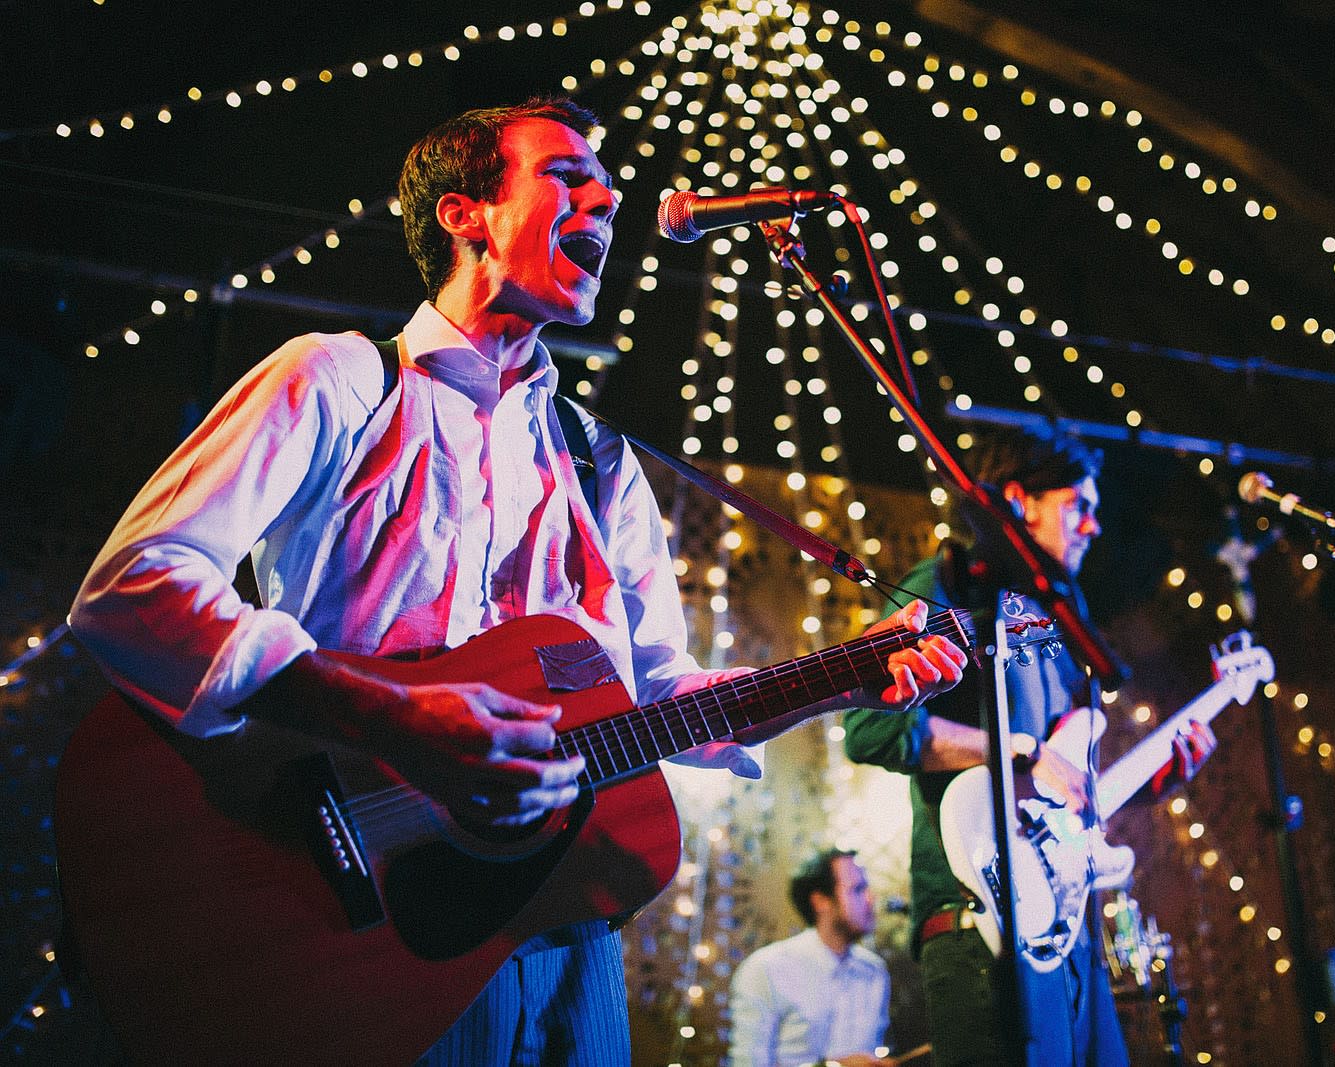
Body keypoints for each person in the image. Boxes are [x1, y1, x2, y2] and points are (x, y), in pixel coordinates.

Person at [68, 95, 966, 1066]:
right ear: (466, 213)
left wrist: (842, 677)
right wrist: (393, 718)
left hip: (568, 919)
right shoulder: (338, 380)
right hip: (359, 911)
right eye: (569, 178)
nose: (609, 198)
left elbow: (659, 695)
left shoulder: (600, 459)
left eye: (609, 187)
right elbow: (133, 583)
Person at [842, 427, 1214, 1067]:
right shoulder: (945, 589)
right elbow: (868, 728)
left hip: (1069, 926)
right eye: (1080, 505)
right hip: (977, 922)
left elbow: (1065, 792)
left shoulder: (1060, 622)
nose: (1094, 527)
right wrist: (1019, 750)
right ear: (1020, 501)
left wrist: (1158, 778)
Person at [729, 848, 892, 1067]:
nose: (871, 900)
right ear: (821, 901)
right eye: (857, 889)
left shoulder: (874, 971)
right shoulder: (767, 968)